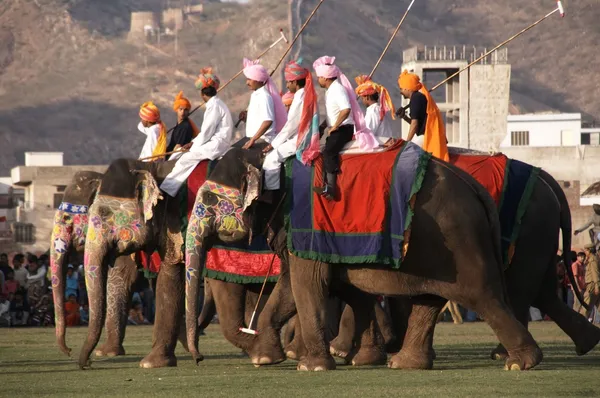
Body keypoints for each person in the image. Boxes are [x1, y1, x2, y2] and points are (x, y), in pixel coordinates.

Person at [312, 55, 378, 200]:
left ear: (326, 77)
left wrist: (335, 126)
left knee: (329, 151)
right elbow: (333, 113)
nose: (318, 80)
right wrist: (324, 126)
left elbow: (346, 109)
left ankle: (331, 189)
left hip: (343, 128)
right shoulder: (330, 90)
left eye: (319, 77)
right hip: (336, 127)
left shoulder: (337, 89)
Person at [160, 68, 234, 197]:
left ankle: (166, 191)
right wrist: (192, 143)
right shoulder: (217, 104)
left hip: (216, 144)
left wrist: (192, 145)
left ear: (202, 93)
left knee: (185, 159)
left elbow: (206, 133)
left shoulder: (214, 106)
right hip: (215, 142)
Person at [262, 59, 319, 191]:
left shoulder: (300, 97)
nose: (287, 85)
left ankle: (272, 193)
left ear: (294, 82)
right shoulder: (304, 94)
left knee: (272, 158)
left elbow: (291, 126)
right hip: (298, 136)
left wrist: (273, 144)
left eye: (288, 82)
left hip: (300, 139)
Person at [396, 70, 449, 161]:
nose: (400, 91)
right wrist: (404, 117)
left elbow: (414, 124)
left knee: (405, 157)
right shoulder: (417, 97)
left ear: (407, 88)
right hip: (423, 135)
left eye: (401, 88)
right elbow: (418, 124)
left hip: (426, 137)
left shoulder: (416, 99)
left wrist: (407, 143)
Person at [240, 58, 287, 149]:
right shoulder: (255, 95)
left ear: (258, 80)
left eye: (250, 79)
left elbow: (268, 121)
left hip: (262, 140)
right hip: (254, 139)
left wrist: (252, 140)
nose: (247, 83)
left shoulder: (264, 96)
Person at [576, 244, 600, 320]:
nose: (585, 252)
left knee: (586, 305)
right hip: (593, 284)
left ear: (589, 250)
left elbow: (595, 273)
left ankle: (581, 322)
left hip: (592, 284)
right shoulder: (591, 258)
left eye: (586, 250)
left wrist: (596, 286)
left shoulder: (592, 259)